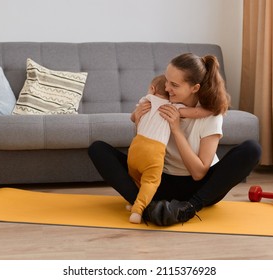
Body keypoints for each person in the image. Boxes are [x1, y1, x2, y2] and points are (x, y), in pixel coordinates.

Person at [88, 53, 262, 226]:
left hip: (201, 188)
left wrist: (176, 130)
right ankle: (144, 207)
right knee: (98, 149)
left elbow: (199, 172)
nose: (167, 88)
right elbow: (145, 153)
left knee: (252, 149)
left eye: (174, 85)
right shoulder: (161, 105)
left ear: (194, 88)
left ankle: (189, 208)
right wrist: (139, 121)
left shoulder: (210, 116)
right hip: (160, 183)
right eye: (166, 81)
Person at [127, 74, 211, 224]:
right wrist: (211, 111)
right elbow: (195, 113)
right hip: (154, 152)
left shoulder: (146, 100)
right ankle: (138, 209)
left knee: (136, 177)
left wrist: (136, 117)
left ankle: (138, 200)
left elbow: (133, 117)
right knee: (150, 182)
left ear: (152, 89)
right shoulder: (173, 107)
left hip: (135, 149)